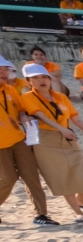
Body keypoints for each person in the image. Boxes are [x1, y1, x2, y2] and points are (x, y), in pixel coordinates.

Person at [20, 62, 83, 222]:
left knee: (82, 174)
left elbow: (76, 118)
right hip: (45, 139)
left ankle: (81, 200)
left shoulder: (61, 97)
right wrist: (62, 129)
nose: (41, 81)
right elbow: (41, 115)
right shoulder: (27, 97)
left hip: (67, 136)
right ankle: (78, 212)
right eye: (35, 78)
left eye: (44, 77)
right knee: (62, 177)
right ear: (29, 81)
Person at [0, 57, 54, 226]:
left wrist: (24, 118)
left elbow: (20, 111)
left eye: (6, 69)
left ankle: (41, 215)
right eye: (0, 70)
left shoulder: (11, 90)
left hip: (18, 139)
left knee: (31, 177)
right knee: (8, 178)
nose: (4, 73)